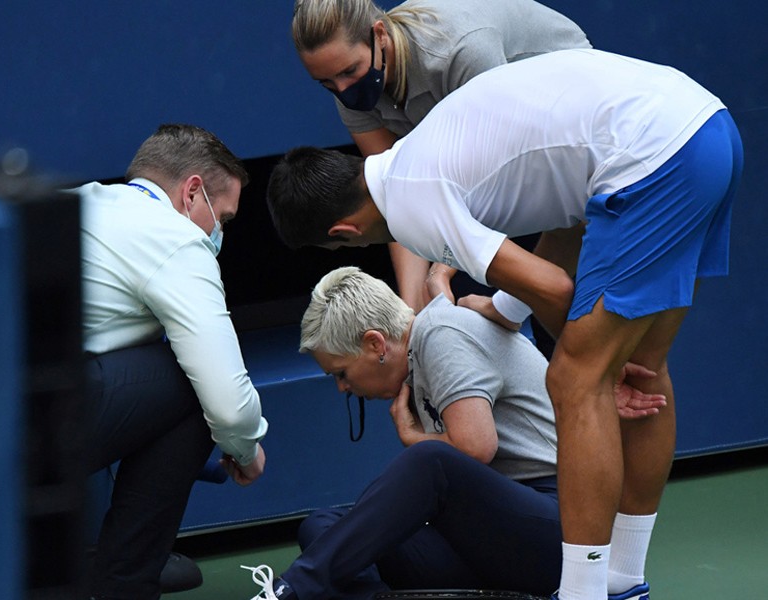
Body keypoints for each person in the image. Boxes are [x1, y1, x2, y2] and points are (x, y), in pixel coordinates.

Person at [265, 49, 743, 600]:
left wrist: (598, 368)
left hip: (657, 156)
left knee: (576, 377)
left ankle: (586, 593)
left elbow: (556, 288)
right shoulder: (420, 155)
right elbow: (567, 222)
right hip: (706, 127)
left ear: (343, 232)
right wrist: (505, 308)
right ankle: (624, 581)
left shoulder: (412, 206)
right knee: (645, 368)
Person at [243, 267, 666, 600]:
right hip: (493, 539)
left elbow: (475, 447)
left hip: (564, 527)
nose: (342, 387)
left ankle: (290, 592)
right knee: (322, 527)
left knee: (430, 463)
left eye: (341, 372)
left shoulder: (439, 334)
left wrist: (414, 440)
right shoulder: (418, 351)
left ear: (375, 344)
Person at [291, 0, 591, 314]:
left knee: (554, 300)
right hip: (509, 165)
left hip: (574, 121)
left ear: (379, 35)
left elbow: (499, 178)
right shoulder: (349, 91)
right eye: (327, 83)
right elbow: (393, 200)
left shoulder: (460, 52)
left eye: (350, 70)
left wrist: (442, 269)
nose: (343, 90)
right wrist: (410, 311)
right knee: (455, 298)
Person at [77, 123, 269, 600]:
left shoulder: (84, 200)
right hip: (30, 429)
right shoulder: (175, 238)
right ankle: (125, 585)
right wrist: (245, 449)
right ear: (191, 193)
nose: (219, 232)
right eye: (222, 217)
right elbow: (227, 401)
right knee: (193, 383)